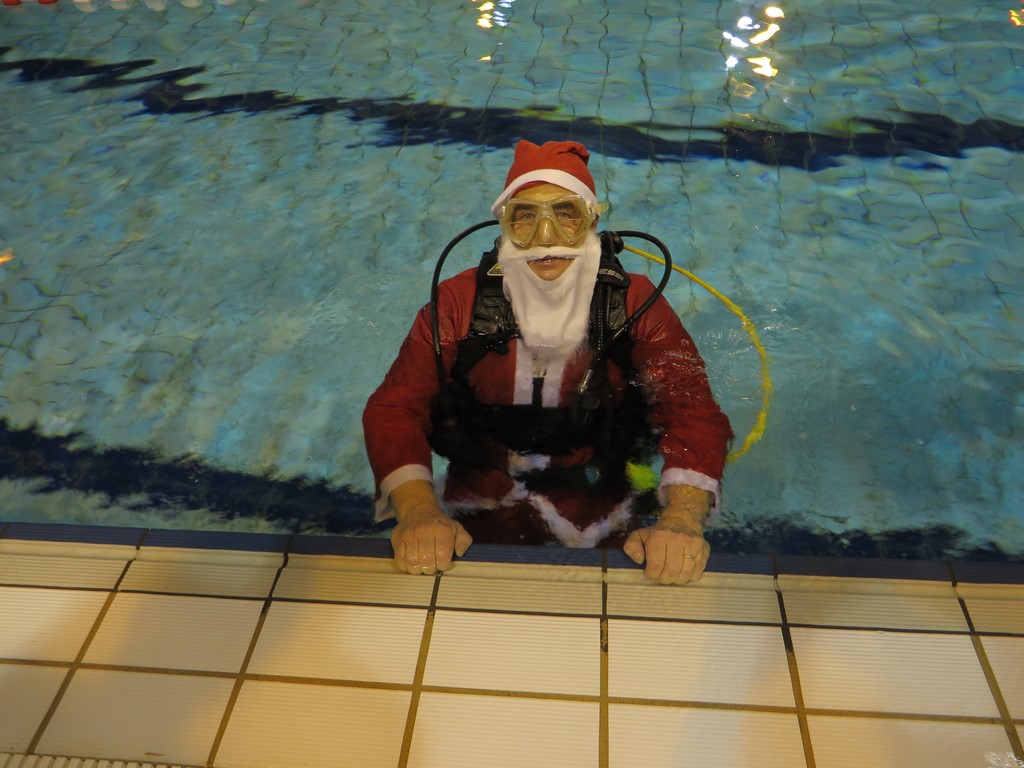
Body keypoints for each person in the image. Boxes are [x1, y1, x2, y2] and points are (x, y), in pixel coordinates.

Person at [363, 140, 733, 585]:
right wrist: (419, 511)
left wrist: (681, 520)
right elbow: (396, 408)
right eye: (525, 217)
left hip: (600, 491)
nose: (545, 238)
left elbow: (691, 410)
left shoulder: (634, 304)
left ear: (592, 221)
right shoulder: (459, 304)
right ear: (504, 224)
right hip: (481, 486)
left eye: (565, 214)